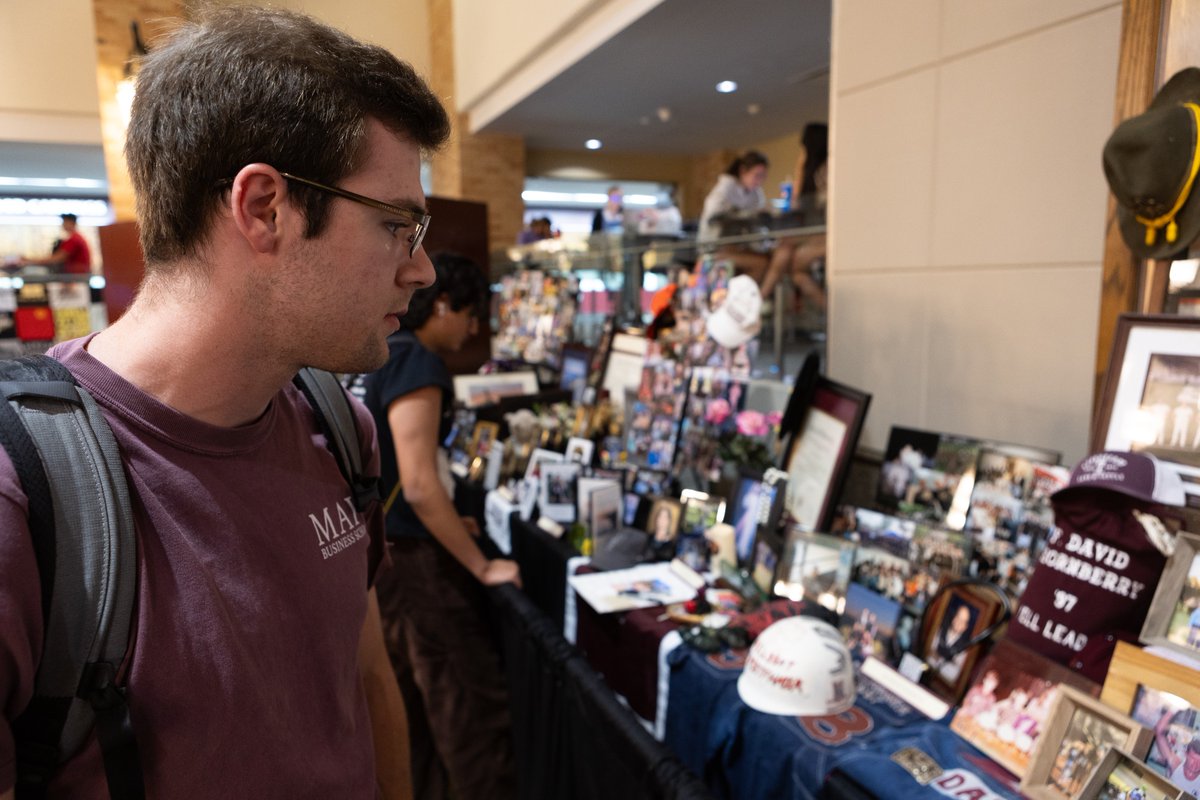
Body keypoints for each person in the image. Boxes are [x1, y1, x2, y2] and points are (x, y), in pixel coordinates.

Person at [0, 6, 452, 798]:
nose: (422, 273)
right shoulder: (24, 503)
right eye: (396, 225)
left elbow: (365, 675)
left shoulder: (341, 430)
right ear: (265, 208)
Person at [363, 252, 520, 800]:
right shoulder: (417, 364)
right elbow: (421, 484)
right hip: (414, 562)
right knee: (468, 705)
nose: (474, 329)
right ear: (445, 305)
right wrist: (481, 566)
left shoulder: (380, 354)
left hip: (381, 557)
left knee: (415, 704)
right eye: (471, 314)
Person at [17, 212, 92, 274]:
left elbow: (56, 259)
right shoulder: (77, 237)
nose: (62, 225)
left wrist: (29, 260)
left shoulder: (74, 239)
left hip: (75, 279)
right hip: (77, 277)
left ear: (72, 223)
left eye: (65, 222)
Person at [1155, 710, 1200, 794]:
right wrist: (1174, 707)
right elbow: (1159, 732)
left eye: (1199, 762)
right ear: (1186, 754)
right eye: (1193, 759)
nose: (1195, 765)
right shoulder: (1175, 764)